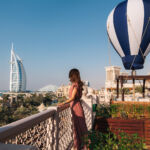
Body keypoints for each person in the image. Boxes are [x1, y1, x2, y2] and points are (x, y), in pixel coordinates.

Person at [58, 68, 88, 150]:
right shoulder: (78, 84)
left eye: (70, 75)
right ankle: (80, 146)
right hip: (76, 107)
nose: (69, 77)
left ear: (72, 76)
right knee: (79, 127)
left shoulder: (75, 85)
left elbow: (72, 97)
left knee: (81, 128)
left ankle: (86, 146)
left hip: (76, 107)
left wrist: (63, 103)